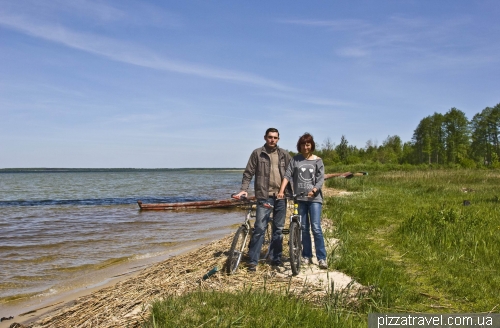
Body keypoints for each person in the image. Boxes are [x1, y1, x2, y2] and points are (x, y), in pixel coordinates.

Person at [234, 127, 292, 272]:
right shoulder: (257, 153)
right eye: (270, 137)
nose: (272, 140)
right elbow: (248, 173)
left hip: (281, 196)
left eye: (275, 137)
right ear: (265, 137)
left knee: (278, 229)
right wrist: (244, 190)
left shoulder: (284, 154)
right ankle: (253, 261)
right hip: (264, 196)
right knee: (260, 228)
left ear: (278, 139)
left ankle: (275, 258)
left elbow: (292, 173)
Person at [277, 132, 328, 269]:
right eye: (303, 144)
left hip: (314, 199)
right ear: (299, 146)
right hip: (299, 198)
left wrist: (314, 190)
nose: (305, 147)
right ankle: (306, 255)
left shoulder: (318, 161)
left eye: (308, 144)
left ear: (311, 145)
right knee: (304, 228)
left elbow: (320, 179)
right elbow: (287, 176)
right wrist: (281, 191)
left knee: (316, 227)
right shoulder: (295, 160)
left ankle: (322, 258)